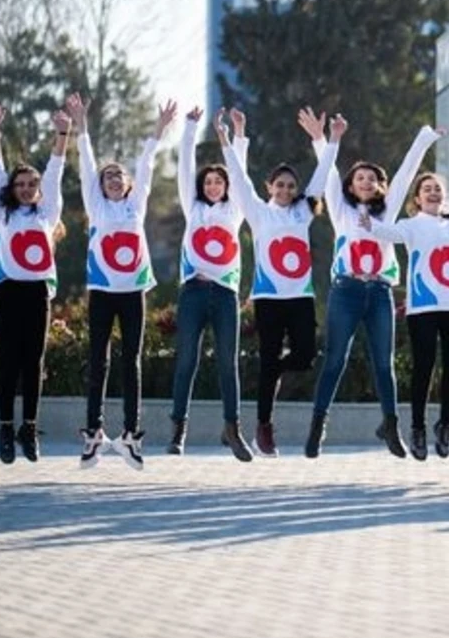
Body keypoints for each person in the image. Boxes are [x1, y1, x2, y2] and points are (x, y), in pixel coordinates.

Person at [298, 111, 442, 459]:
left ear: (381, 187)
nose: (365, 182)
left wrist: (424, 138)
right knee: (335, 360)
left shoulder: (387, 213)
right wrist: (324, 139)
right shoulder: (341, 209)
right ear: (351, 186)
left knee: (384, 363)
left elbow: (407, 173)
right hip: (346, 291)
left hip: (379, 292)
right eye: (359, 178)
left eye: (372, 179)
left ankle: (391, 427)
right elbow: (328, 175)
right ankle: (318, 428)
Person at [67, 93, 177, 470]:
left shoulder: (136, 205)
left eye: (119, 175)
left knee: (131, 362)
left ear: (129, 185)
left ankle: (131, 434)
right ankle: (94, 433)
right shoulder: (96, 207)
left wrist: (159, 129)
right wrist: (81, 125)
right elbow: (87, 164)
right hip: (101, 294)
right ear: (100, 186)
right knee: (98, 361)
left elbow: (146, 164)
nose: (113, 178)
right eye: (107, 176)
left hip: (132, 294)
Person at [222, 107, 339, 457]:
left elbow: (320, 177)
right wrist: (232, 139)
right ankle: (263, 427)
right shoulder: (257, 212)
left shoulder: (304, 210)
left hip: (300, 297)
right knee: (269, 358)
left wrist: (329, 139)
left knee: (304, 356)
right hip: (269, 299)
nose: (286, 189)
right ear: (270, 187)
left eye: (291, 185)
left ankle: (272, 372)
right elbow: (239, 180)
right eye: (280, 185)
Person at [362, 173, 449, 459]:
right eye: (427, 189)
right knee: (424, 368)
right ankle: (417, 429)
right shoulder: (410, 226)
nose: (433, 193)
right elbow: (385, 232)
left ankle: (445, 426)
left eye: (438, 189)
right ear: (417, 198)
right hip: (422, 309)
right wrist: (368, 222)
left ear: (444, 196)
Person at [166, 107, 258, 461]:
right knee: (186, 359)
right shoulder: (195, 208)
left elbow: (239, 170)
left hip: (224, 295)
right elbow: (185, 170)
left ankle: (233, 429)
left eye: (219, 182)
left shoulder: (234, 211)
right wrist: (189, 128)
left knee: (227, 363)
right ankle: (178, 430)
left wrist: (238, 134)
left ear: (227, 187)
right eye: (208, 183)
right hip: (193, 292)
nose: (213, 186)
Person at [0, 103, 66, 464]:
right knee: (8, 361)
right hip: (5, 292)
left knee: (33, 362)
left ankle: (29, 429)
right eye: (21, 184)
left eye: (32, 184)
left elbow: (55, 173)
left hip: (36, 293)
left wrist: (63, 134)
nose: (28, 188)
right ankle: (5, 427)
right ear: (11, 189)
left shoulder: (46, 214)